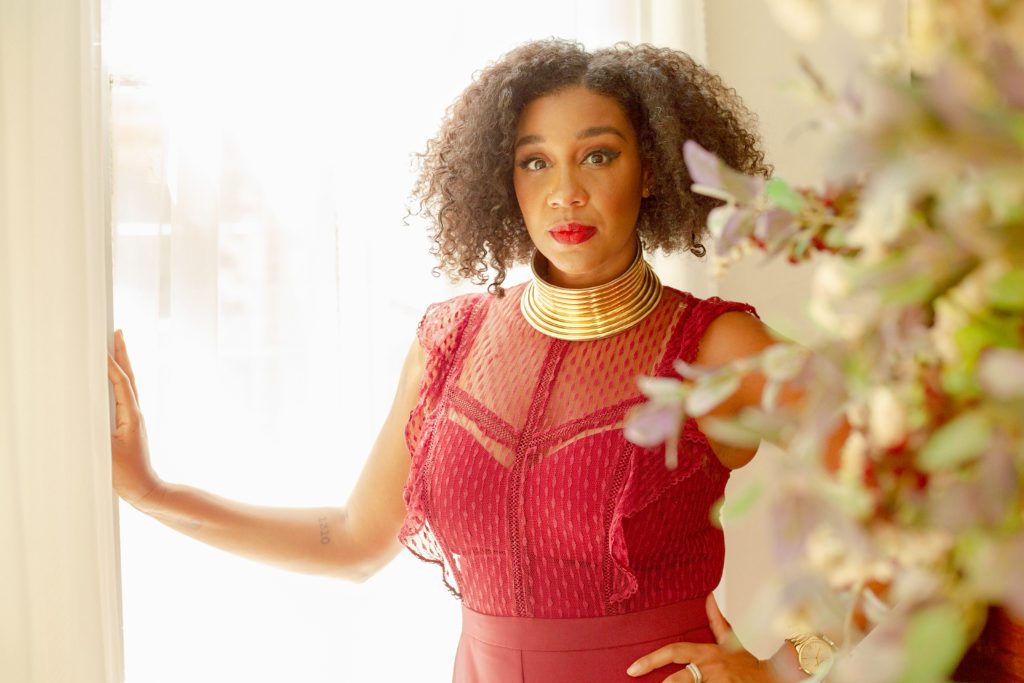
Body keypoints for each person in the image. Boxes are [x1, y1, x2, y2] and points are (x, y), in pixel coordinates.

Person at [108, 39, 834, 682]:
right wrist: (151, 491)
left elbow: (934, 496)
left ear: (651, 172)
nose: (566, 190)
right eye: (535, 161)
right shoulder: (449, 341)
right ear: (504, 179)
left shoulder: (717, 350)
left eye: (599, 154)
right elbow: (355, 539)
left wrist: (792, 665)